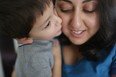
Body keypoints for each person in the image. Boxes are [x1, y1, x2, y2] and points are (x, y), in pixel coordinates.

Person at [0, 0, 62, 77]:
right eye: (48, 24)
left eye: (54, 9)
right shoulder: (37, 62)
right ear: (25, 39)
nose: (59, 20)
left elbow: (15, 73)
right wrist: (58, 58)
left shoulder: (27, 45)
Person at [55, 0, 116, 77]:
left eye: (89, 9)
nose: (76, 24)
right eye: (66, 8)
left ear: (105, 10)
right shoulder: (44, 38)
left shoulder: (113, 47)